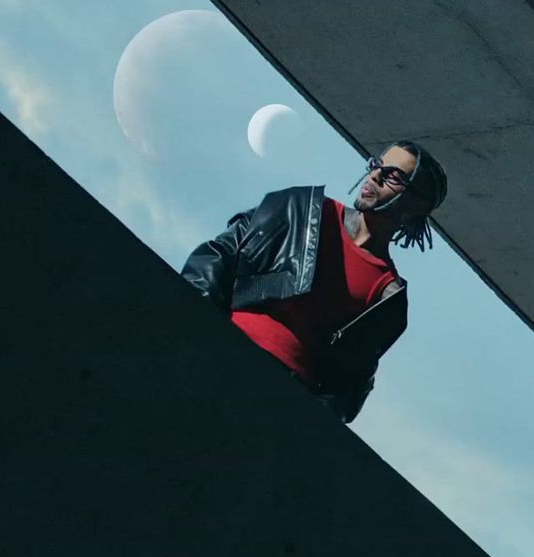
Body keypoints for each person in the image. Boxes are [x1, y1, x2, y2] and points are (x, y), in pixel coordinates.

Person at [181, 141, 448, 422]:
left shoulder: (388, 296)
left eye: (394, 175)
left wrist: (307, 421)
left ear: (417, 205)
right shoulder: (301, 210)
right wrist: (199, 326)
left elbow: (351, 386)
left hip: (276, 409)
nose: (376, 175)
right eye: (378, 164)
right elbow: (218, 256)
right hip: (216, 352)